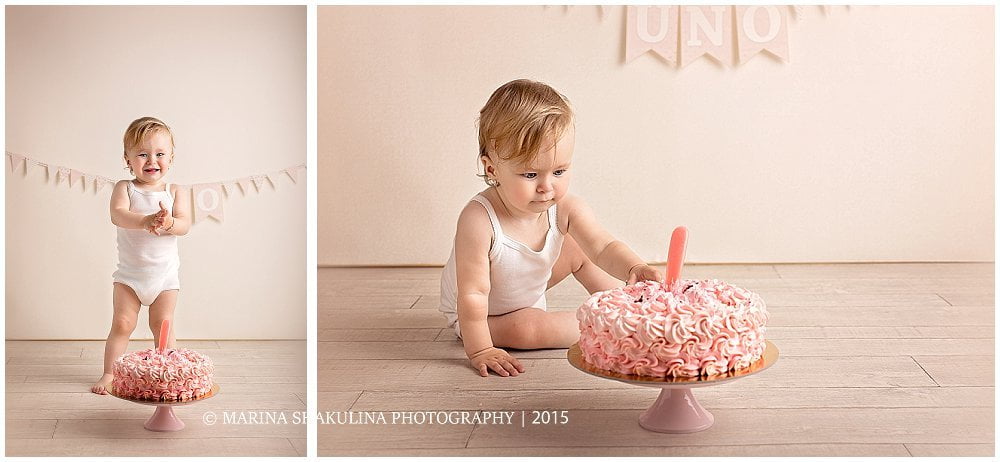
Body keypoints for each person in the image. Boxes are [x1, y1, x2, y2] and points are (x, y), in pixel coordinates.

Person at [439, 79, 663, 378]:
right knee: (529, 328)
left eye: (559, 171)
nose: (547, 187)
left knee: (577, 246)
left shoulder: (567, 207)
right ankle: (606, 327)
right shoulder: (478, 219)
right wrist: (480, 348)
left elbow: (603, 246)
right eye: (530, 174)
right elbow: (474, 294)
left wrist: (633, 266)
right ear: (492, 169)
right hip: (484, 315)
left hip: (522, 287)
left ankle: (625, 307)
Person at [91, 117, 192, 394]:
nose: (152, 160)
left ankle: (166, 372)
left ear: (171, 157)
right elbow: (118, 215)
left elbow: (184, 225)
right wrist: (146, 220)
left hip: (164, 277)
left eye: (160, 154)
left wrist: (168, 222)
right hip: (130, 276)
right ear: (127, 158)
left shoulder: (175, 192)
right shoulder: (124, 187)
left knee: (163, 326)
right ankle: (110, 374)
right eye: (143, 154)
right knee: (122, 323)